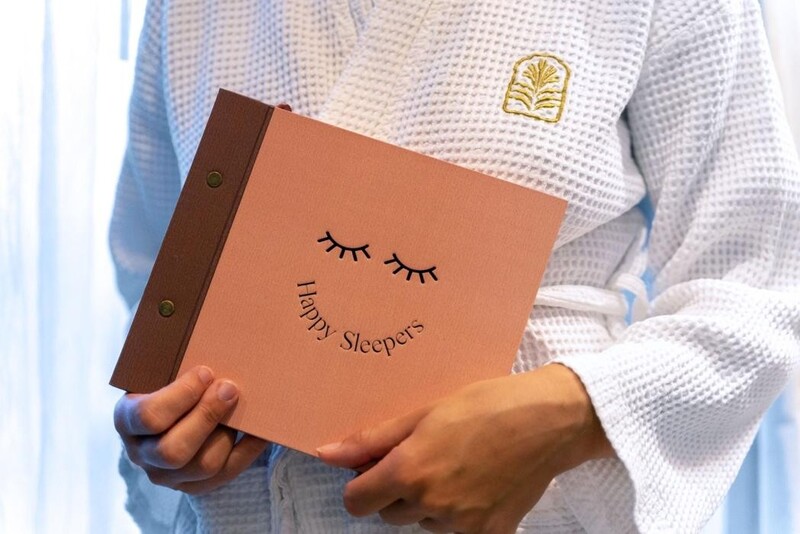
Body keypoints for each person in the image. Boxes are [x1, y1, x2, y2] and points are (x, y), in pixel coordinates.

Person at [110, 0, 800, 532]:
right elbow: (156, 273)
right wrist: (165, 424)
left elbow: (761, 279)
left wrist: (569, 413)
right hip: (248, 508)